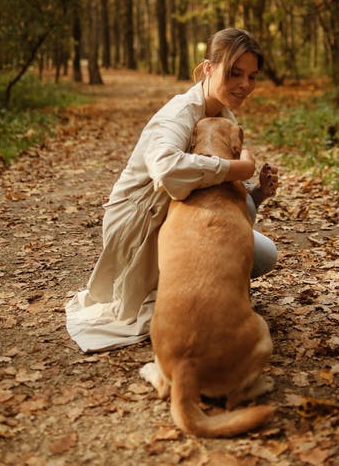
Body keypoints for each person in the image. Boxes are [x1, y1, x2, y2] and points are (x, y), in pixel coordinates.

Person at [65, 28, 279, 353]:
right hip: (139, 223)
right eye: (235, 73)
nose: (245, 85)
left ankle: (202, 295)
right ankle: (175, 298)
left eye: (251, 76)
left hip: (179, 215)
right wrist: (238, 168)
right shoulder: (177, 115)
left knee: (262, 250)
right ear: (208, 68)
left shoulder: (223, 113)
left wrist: (259, 191)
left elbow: (223, 196)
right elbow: (167, 169)